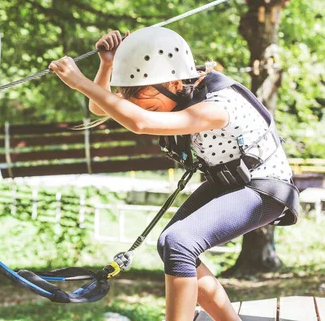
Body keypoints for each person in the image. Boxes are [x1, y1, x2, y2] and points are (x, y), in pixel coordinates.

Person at [48, 27, 299, 321]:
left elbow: (139, 123)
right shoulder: (170, 91)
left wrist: (78, 81)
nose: (151, 113)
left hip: (265, 189)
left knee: (180, 242)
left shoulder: (220, 105)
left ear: (175, 82)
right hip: (229, 184)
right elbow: (100, 106)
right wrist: (108, 65)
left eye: (153, 106)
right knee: (170, 244)